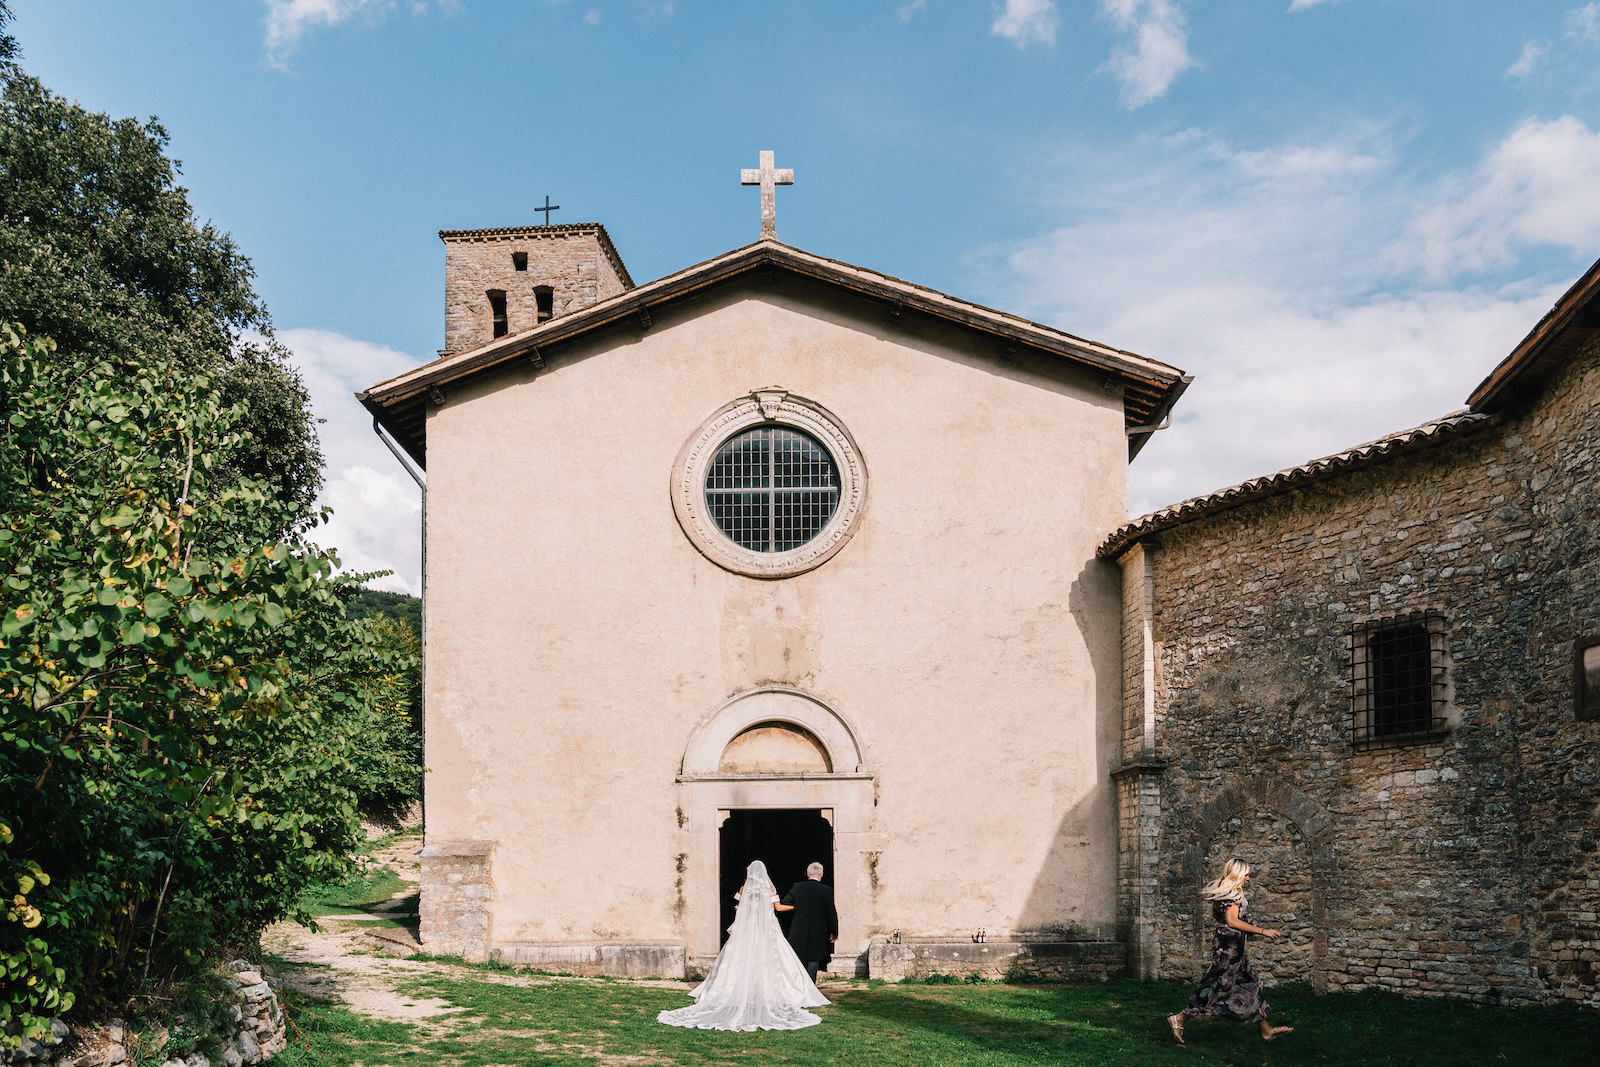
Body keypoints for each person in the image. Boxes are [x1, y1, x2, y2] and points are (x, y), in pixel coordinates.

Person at [657, 859, 828, 1031]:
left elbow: (740, 909)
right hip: (767, 931)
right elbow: (779, 908)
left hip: (747, 931)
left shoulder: (743, 890)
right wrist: (798, 907)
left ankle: (739, 991)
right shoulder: (770, 889)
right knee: (772, 959)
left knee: (741, 959)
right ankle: (771, 992)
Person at [1165, 858, 1293, 1045]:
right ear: (1238, 874)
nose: (1248, 878)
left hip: (1233, 946)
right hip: (1229, 949)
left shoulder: (1227, 890)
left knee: (1251, 984)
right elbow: (1232, 922)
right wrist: (1263, 931)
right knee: (1215, 985)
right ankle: (1180, 1018)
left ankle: (1266, 1031)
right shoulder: (1231, 893)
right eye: (1246, 874)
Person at [778, 861, 838, 984]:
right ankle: (811, 986)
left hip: (799, 927)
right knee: (814, 958)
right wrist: (834, 931)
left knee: (798, 956)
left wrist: (798, 906)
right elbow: (831, 912)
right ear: (821, 874)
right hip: (819, 929)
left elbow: (785, 903)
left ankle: (798, 985)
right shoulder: (827, 890)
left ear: (807, 873)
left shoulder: (797, 887)